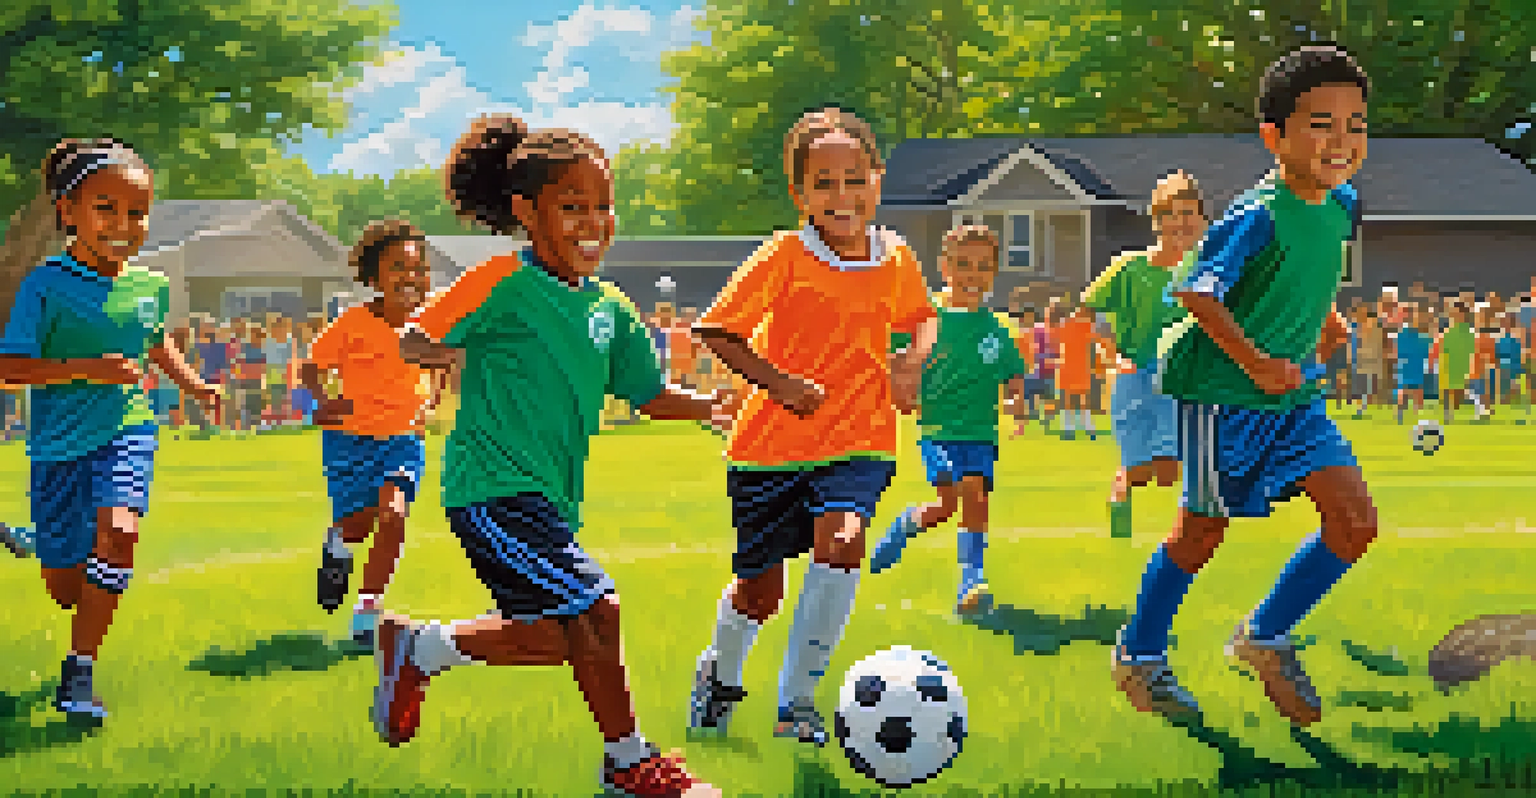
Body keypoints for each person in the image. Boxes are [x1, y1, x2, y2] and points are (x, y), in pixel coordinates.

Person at [370, 115, 725, 796]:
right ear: (527, 213)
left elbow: (648, 393)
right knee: (599, 610)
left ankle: (420, 648)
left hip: (549, 499)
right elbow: (416, 336)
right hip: (491, 489)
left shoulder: (610, 308)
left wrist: (709, 406)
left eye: (603, 206)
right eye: (573, 207)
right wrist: (451, 353)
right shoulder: (502, 281)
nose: (594, 223)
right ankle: (629, 763)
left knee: (567, 636)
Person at [1112, 45, 1377, 728]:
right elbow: (1196, 292)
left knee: (1354, 522)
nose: (1342, 141)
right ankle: (1139, 656)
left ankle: (1265, 637)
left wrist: (1326, 318)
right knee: (1201, 531)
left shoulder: (1342, 203)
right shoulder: (1255, 214)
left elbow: (1305, 270)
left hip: (1293, 397)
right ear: (1274, 137)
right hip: (1221, 396)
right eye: (1321, 124)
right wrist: (1257, 362)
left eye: (1355, 125)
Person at [686, 107, 938, 746]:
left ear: (877, 180)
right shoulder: (784, 254)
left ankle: (796, 704)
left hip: (861, 439)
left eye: (855, 179)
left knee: (844, 537)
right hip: (769, 451)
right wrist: (779, 384)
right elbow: (717, 329)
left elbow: (921, 317)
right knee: (759, 592)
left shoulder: (897, 256)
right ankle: (719, 676)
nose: (842, 195)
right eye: (824, 183)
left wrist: (911, 361)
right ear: (800, 194)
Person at [0, 138, 219, 721]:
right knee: (66, 588)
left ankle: (80, 671)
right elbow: (9, 368)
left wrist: (194, 384)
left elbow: (156, 341)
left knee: (120, 533)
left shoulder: (150, 285)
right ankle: (43, 542)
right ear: (67, 210)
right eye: (106, 208)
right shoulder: (45, 285)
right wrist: (85, 369)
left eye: (137, 212)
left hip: (127, 429)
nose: (124, 225)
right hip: (56, 448)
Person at [868, 224, 1025, 615]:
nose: (973, 274)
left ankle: (971, 580)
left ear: (994, 273)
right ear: (944, 267)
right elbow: (889, 355)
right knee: (947, 504)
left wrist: (1015, 399)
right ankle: (905, 525)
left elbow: (1013, 372)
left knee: (974, 497)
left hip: (981, 432)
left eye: (983, 267)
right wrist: (900, 386)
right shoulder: (925, 318)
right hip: (937, 431)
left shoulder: (996, 328)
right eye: (963, 264)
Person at [304, 220, 440, 647]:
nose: (410, 277)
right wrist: (324, 401)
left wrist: (432, 399)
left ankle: (367, 610)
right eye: (398, 267)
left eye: (418, 268)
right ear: (373, 275)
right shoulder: (353, 323)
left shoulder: (434, 321)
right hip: (350, 440)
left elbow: (444, 361)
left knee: (394, 514)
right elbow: (312, 367)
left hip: (403, 439)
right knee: (357, 526)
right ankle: (337, 544)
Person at [1082, 170, 1206, 539]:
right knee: (1139, 471)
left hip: (1181, 378)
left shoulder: (1209, 271)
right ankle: (1120, 491)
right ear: (1157, 222)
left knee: (1168, 471)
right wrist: (1110, 358)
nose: (1180, 222)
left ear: (1202, 220)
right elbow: (1085, 315)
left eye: (1188, 213)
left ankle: (1190, 531)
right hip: (1133, 375)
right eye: (1171, 214)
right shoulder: (1130, 267)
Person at [1054, 303, 1099, 439]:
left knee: (1079, 397)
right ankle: (1075, 427)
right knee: (1076, 397)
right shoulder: (1079, 325)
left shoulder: (1071, 324)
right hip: (1071, 365)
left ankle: (1078, 426)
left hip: (1078, 365)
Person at [1434, 301, 1475, 424]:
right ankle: (1448, 416)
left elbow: (1472, 350)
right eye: (1453, 312)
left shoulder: (1468, 333)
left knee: (1457, 398)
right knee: (1447, 393)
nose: (1455, 315)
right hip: (1448, 366)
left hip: (1461, 367)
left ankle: (1453, 414)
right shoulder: (1447, 332)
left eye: (1458, 313)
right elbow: (1439, 348)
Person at [1393, 305, 1432, 424]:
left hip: (1416, 366)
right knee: (1406, 390)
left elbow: (1427, 352)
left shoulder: (1422, 336)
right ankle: (1402, 415)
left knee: (1416, 390)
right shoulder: (1403, 334)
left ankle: (1415, 416)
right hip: (1407, 366)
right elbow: (1398, 351)